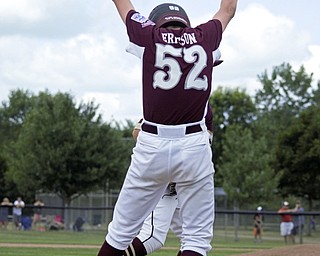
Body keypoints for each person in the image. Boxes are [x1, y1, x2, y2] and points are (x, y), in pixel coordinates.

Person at [98, 1, 237, 256]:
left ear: (155, 22)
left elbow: (125, 8)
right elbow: (227, 10)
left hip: (152, 142)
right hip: (194, 143)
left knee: (118, 236)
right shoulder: (204, 38)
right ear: (187, 23)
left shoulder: (150, 36)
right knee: (195, 240)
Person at [127, 102, 216, 256]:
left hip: (187, 180)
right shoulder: (175, 104)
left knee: (193, 239)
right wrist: (167, 161)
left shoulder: (202, 107)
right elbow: (137, 131)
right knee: (152, 236)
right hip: (166, 180)